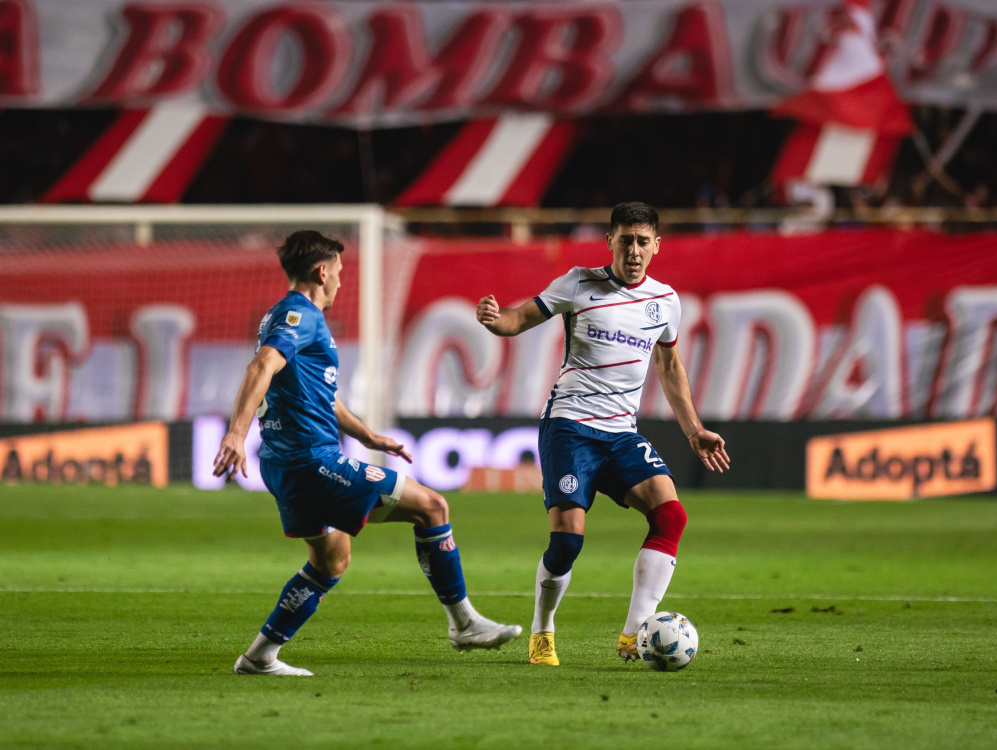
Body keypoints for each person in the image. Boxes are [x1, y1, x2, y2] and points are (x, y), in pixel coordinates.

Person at [214, 230, 521, 676]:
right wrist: (235, 433)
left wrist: (367, 436)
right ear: (322, 271)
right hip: (313, 460)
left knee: (330, 559)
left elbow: (319, 395)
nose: (341, 280)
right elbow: (262, 365)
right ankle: (465, 624)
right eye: (339, 271)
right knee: (433, 507)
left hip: (282, 463)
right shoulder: (300, 315)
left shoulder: (282, 316)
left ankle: (260, 656)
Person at [475, 202, 729, 666]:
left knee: (670, 516)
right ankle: (542, 630)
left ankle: (634, 635)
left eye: (642, 241)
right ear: (610, 241)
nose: (634, 250)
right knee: (568, 541)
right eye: (626, 239)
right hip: (569, 427)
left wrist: (694, 431)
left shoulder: (666, 302)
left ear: (656, 246)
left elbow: (670, 366)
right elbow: (520, 319)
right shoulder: (578, 283)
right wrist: (496, 319)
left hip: (621, 434)